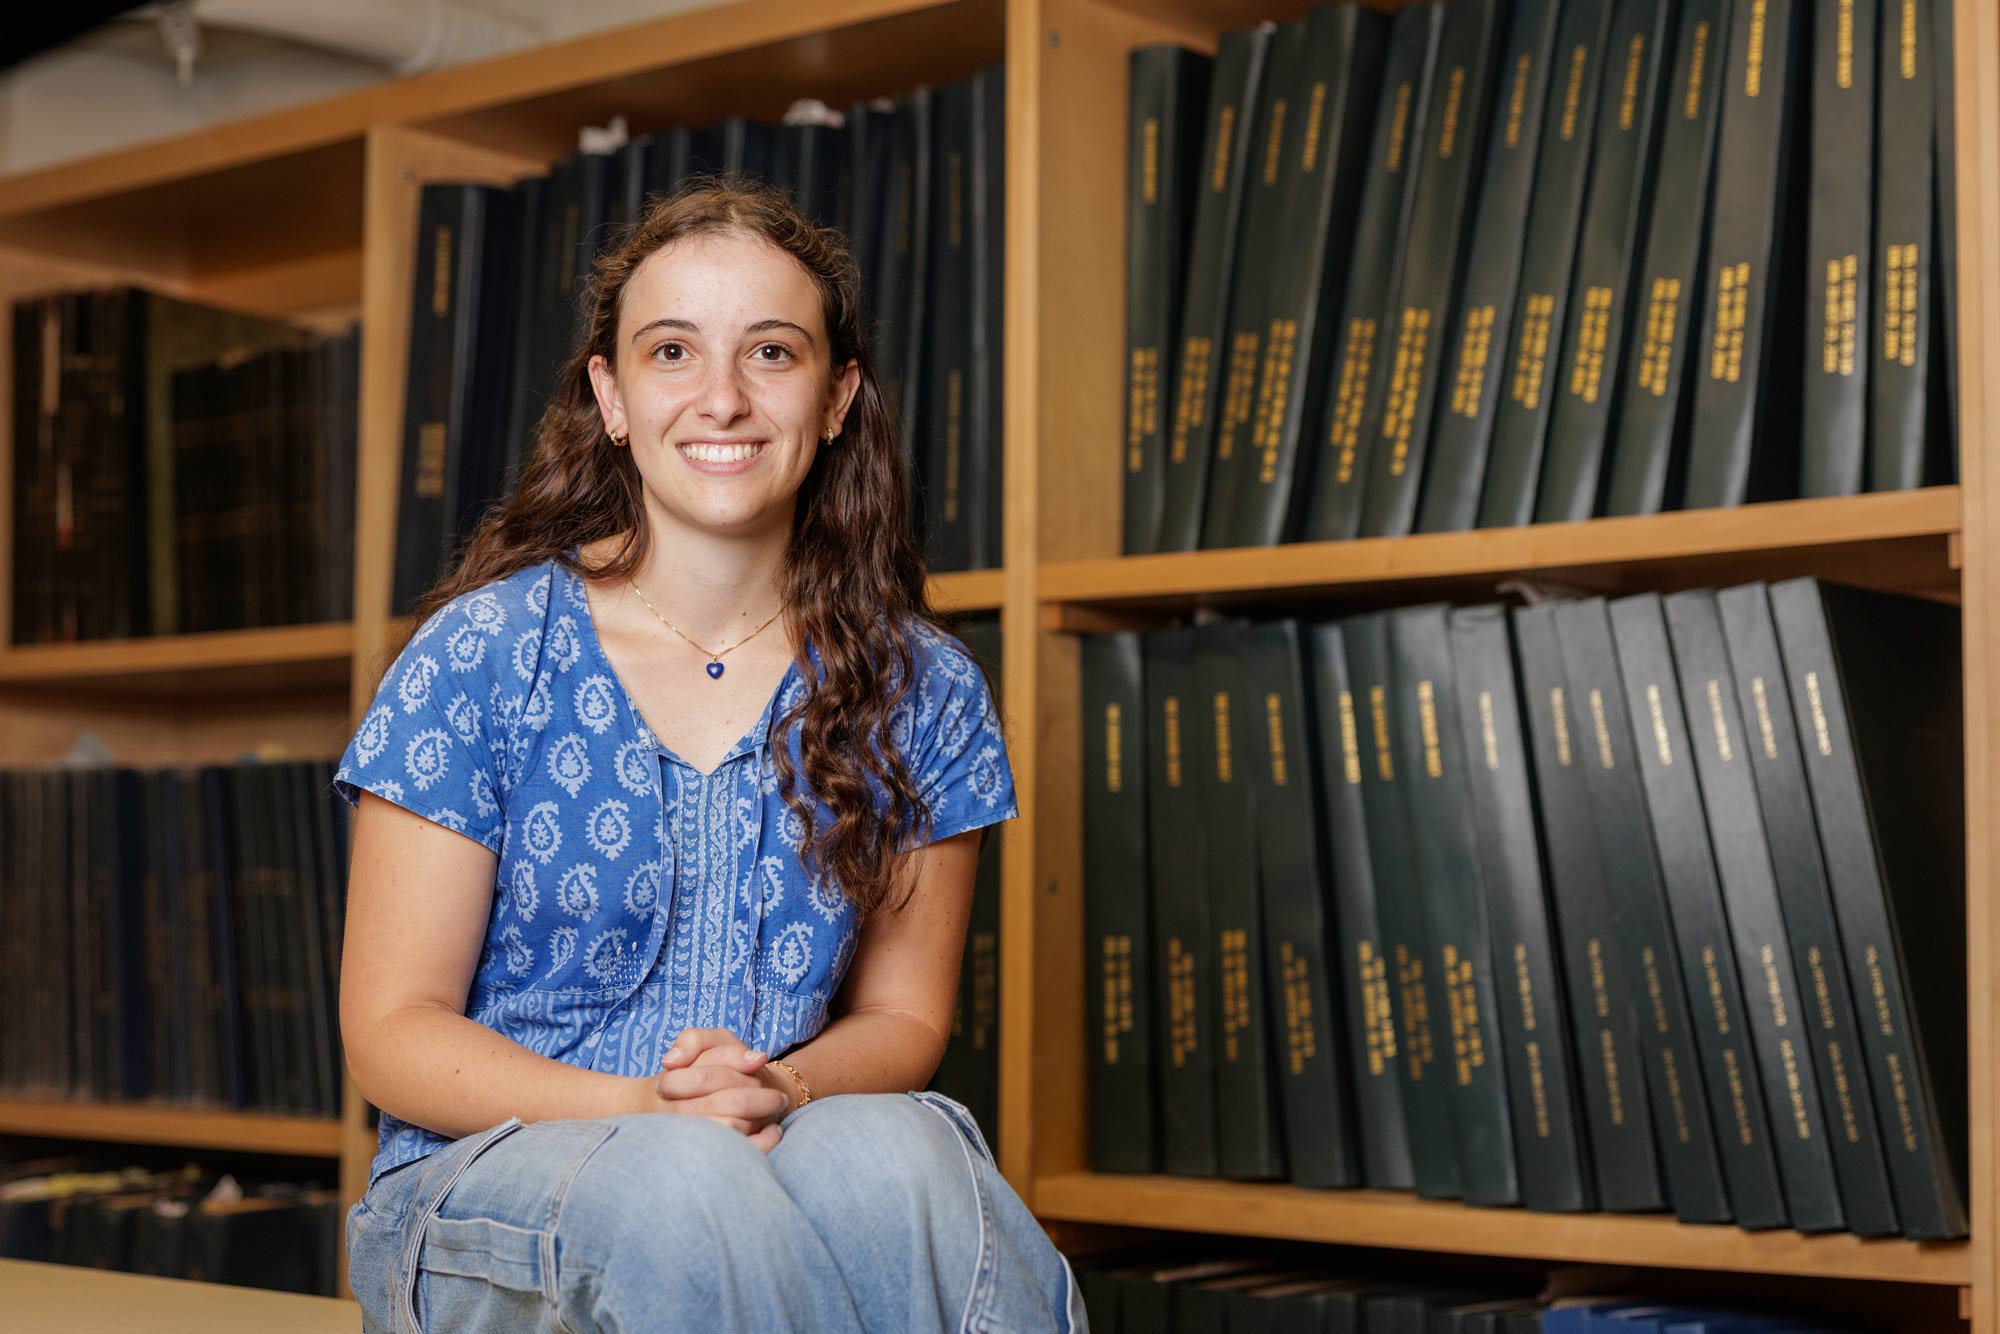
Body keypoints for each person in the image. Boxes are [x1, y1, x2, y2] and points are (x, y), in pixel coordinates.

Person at [334, 179, 1081, 1332]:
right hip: (483, 1186)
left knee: (902, 1151)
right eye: (671, 350)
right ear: (611, 396)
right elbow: (392, 1029)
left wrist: (777, 1082)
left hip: (768, 1135)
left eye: (770, 352)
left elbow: (902, 1019)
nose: (722, 398)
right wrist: (643, 1107)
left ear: (836, 399)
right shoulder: (483, 652)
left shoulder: (923, 684)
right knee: (685, 1182)